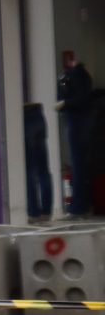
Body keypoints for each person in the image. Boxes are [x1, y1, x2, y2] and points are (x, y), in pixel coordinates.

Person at [64, 49, 97, 218]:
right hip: (86, 121)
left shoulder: (73, 75)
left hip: (77, 120)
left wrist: (64, 103)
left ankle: (78, 206)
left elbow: (76, 98)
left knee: (77, 164)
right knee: (82, 164)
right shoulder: (85, 76)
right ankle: (84, 203)